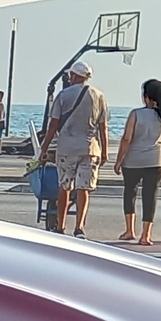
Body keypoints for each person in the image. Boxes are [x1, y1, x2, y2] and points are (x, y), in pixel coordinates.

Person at [38, 61, 108, 236]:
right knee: (84, 188)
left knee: (65, 186)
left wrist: (43, 149)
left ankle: (61, 226)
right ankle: (79, 227)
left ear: (74, 76)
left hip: (66, 148)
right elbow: (103, 127)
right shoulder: (99, 96)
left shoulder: (63, 95)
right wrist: (105, 151)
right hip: (89, 148)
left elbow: (53, 126)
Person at [114, 77, 161, 246]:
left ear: (147, 96)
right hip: (157, 159)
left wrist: (119, 160)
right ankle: (146, 235)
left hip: (134, 159)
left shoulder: (136, 114)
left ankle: (129, 230)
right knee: (150, 196)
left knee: (130, 193)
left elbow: (126, 139)